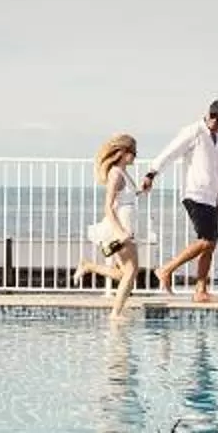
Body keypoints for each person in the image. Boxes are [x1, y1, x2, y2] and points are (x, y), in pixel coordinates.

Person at [142, 98, 218, 301]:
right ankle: (166, 270)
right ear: (208, 114)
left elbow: (217, 167)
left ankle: (200, 291)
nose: (216, 122)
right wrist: (151, 173)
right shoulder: (193, 131)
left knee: (211, 242)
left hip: (211, 196)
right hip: (194, 193)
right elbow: (170, 152)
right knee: (207, 240)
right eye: (214, 117)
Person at [72, 132, 144, 308]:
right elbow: (108, 207)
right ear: (124, 152)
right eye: (134, 152)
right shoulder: (115, 174)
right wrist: (121, 233)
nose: (135, 156)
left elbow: (125, 198)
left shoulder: (123, 172)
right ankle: (115, 314)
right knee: (131, 271)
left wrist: (141, 189)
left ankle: (88, 266)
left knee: (125, 274)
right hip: (120, 227)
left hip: (127, 225)